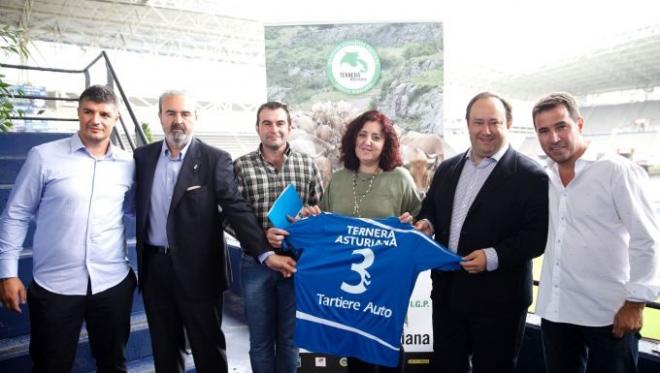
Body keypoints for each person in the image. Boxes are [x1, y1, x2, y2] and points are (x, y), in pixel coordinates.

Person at [134, 91, 294, 373]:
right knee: (164, 349)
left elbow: (236, 209)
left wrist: (265, 253)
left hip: (199, 273)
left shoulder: (214, 159)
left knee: (207, 349)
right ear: (160, 117)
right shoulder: (142, 158)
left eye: (185, 114)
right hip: (155, 269)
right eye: (170, 113)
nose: (178, 121)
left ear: (195, 119)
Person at [270, 110, 422, 373]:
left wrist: (414, 224)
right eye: (363, 135)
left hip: (384, 290)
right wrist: (310, 216)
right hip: (347, 290)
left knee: (389, 354)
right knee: (356, 358)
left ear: (386, 144)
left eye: (376, 137)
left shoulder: (400, 178)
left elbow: (421, 224)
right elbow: (325, 224)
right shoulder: (339, 179)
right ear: (353, 139)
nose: (368, 142)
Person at [0, 85, 137, 373]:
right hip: (55, 286)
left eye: (104, 114)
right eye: (89, 111)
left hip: (111, 282)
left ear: (116, 118)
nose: (95, 120)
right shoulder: (44, 156)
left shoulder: (128, 163)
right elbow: (15, 214)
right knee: (50, 366)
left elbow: (133, 208)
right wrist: (8, 273)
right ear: (78, 113)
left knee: (113, 364)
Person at [414, 92, 549, 373]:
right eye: (478, 122)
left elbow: (536, 236)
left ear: (508, 124)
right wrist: (427, 224)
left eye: (494, 122)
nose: (485, 131)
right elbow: (431, 210)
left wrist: (492, 256)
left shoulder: (532, 176)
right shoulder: (448, 168)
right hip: (447, 297)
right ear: (467, 124)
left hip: (499, 304)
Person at [532, 92, 660, 373]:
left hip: (610, 315)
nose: (553, 138)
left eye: (561, 126)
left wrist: (636, 303)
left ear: (579, 124)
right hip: (558, 311)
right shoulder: (545, 176)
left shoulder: (616, 170)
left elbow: (647, 238)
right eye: (543, 131)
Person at [232, 101, 323, 373]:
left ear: (290, 127)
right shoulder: (240, 167)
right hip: (256, 264)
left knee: (290, 341)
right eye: (267, 123)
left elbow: (320, 212)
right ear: (258, 128)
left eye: (280, 123)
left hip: (296, 266)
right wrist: (261, 237)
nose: (274, 129)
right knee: (260, 341)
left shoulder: (308, 166)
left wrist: (312, 215)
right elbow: (228, 216)